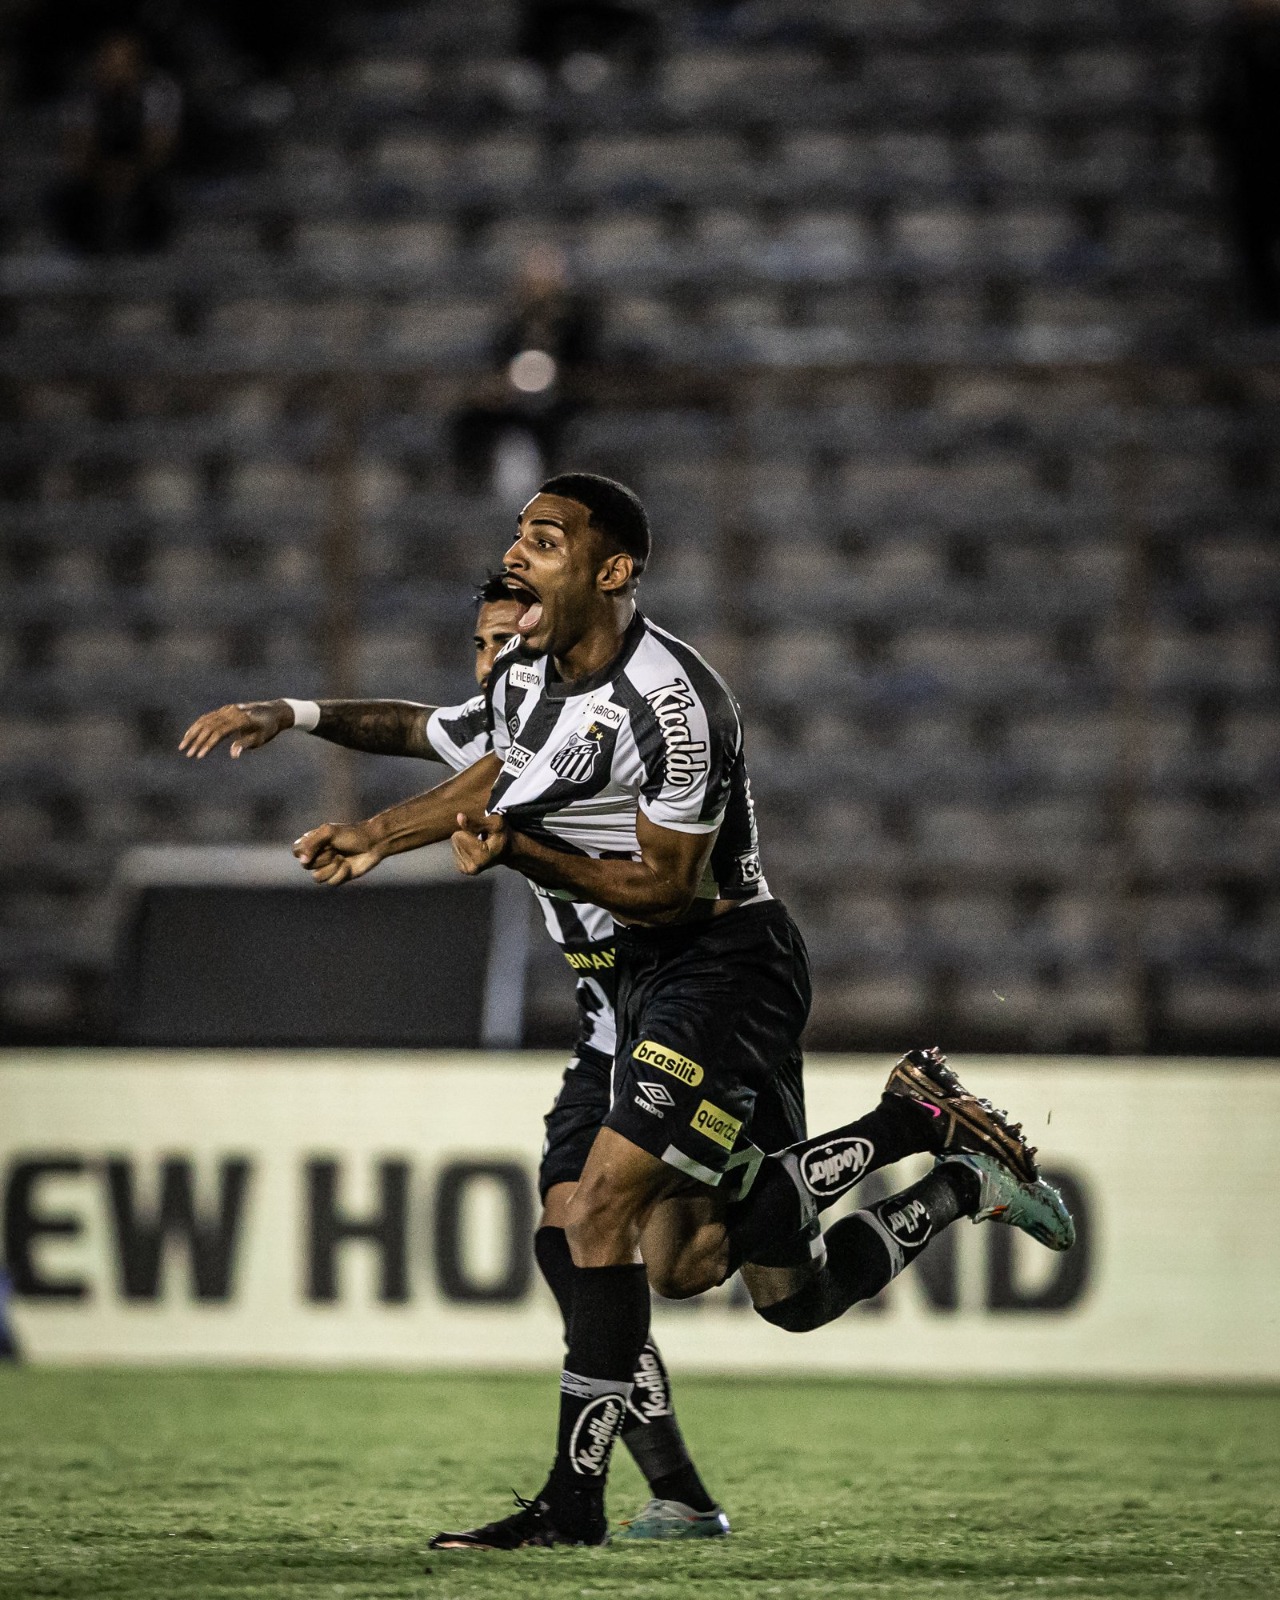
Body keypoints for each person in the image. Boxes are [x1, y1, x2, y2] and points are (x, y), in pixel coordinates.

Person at [274, 473, 1075, 1550]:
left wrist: (513, 846)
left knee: (596, 1210)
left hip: (716, 967)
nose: (516, 558)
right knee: (740, 1279)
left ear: (611, 570)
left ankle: (577, 1504)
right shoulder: (524, 678)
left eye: (542, 541)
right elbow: (464, 759)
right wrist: (351, 799)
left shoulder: (676, 707)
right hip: (623, 1001)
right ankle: (945, 1167)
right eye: (514, 539)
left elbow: (671, 891)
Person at [180, 574, 730, 1541]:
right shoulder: (516, 708)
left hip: (688, 999)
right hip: (611, 1019)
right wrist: (294, 711)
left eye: (504, 639)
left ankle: (913, 1142)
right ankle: (667, 1496)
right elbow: (417, 729)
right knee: (574, 1237)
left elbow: (480, 782)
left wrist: (379, 834)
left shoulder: (589, 718)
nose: (490, 665)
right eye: (478, 647)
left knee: (709, 1269)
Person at [52, 31, 181, 256]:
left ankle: (146, 249)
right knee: (64, 198)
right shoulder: (82, 91)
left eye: (123, 60)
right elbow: (77, 147)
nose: (116, 67)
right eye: (109, 59)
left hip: (142, 171)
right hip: (96, 171)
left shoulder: (159, 89)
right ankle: (84, 250)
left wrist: (132, 171)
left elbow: (160, 145)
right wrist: (102, 171)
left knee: (160, 197)